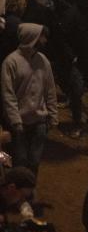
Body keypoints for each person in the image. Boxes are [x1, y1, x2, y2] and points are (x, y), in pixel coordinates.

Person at [1, 23, 57, 172]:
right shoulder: (11, 62)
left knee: (34, 162)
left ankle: (29, 193)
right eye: (42, 36)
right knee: (19, 162)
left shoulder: (43, 60)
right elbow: (8, 95)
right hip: (20, 124)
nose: (44, 40)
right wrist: (15, 121)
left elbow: (50, 90)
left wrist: (52, 116)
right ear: (33, 38)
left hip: (39, 122)